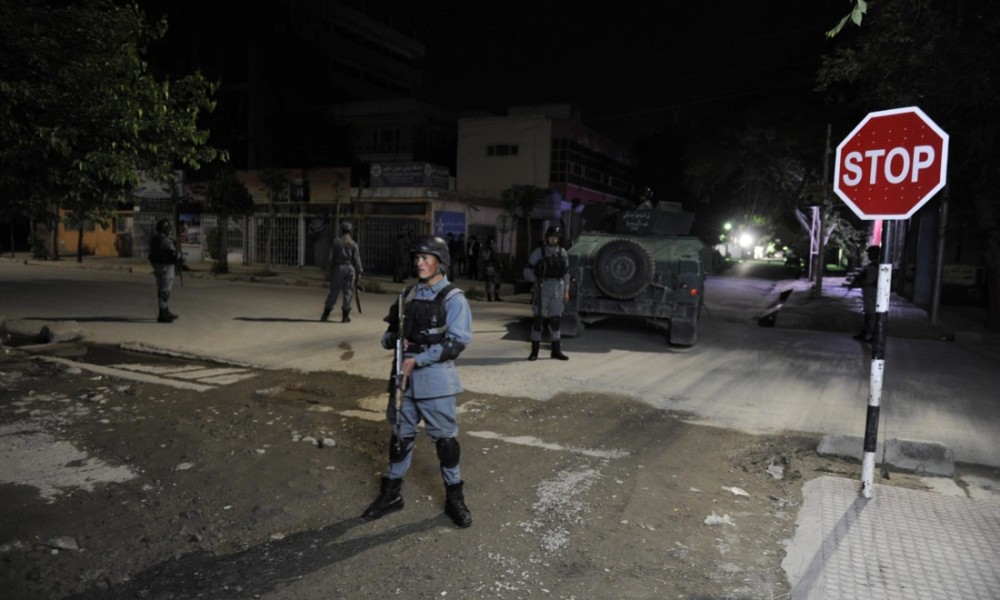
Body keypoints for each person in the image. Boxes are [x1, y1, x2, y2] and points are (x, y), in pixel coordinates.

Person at [362, 235, 474, 528]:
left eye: (425, 257)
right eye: (417, 258)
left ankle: (454, 497)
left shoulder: (453, 298)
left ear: (440, 261)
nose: (419, 263)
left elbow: (457, 342)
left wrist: (419, 359)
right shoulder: (407, 295)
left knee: (446, 443)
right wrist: (394, 340)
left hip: (435, 382)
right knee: (400, 438)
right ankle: (392, 494)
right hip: (403, 380)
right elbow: (387, 336)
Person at [523, 226, 570, 360]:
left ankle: (556, 351)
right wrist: (534, 281)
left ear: (558, 239)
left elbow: (566, 273)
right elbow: (527, 270)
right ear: (547, 238)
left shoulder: (562, 253)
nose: (553, 240)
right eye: (551, 237)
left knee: (555, 321)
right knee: (538, 321)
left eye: (555, 237)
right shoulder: (539, 252)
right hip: (542, 289)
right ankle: (534, 352)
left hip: (558, 290)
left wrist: (566, 291)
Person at [321, 221, 363, 323]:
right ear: (350, 231)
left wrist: (328, 270)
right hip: (350, 269)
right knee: (348, 292)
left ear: (341, 230)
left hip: (338, 268)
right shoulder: (353, 244)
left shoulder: (336, 242)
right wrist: (359, 272)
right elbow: (357, 259)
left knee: (334, 291)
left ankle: (326, 314)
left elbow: (331, 257)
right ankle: (345, 316)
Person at [148, 218, 182, 323]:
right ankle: (163, 313)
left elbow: (151, 256)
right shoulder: (165, 240)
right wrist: (179, 256)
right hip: (167, 267)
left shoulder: (154, 240)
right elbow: (174, 254)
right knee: (165, 291)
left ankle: (165, 310)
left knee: (161, 290)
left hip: (158, 267)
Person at [849, 245, 880, 342]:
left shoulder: (873, 267)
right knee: (868, 314)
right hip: (872, 292)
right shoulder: (876, 265)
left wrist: (859, 283)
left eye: (870, 253)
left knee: (870, 314)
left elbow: (870, 281)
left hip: (871, 292)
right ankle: (864, 333)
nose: (868, 255)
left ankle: (874, 336)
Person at [480, 236, 502, 301]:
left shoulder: (494, 250)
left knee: (497, 282)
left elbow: (497, 259)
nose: (493, 245)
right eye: (492, 243)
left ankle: (496, 296)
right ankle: (489, 297)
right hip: (489, 267)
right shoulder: (486, 250)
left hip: (495, 268)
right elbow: (485, 258)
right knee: (489, 283)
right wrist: (488, 253)